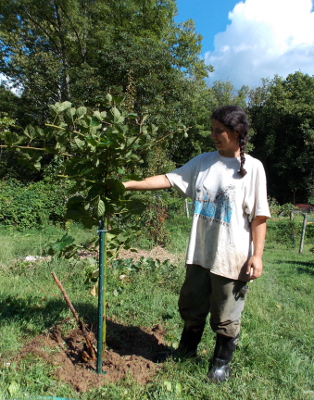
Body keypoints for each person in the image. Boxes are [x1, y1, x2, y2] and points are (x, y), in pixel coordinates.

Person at [123, 105, 270, 382]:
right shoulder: (202, 161)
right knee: (191, 305)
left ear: (237, 133)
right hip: (200, 252)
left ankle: (220, 364)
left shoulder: (253, 168)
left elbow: (259, 216)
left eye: (219, 131)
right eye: (212, 129)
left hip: (231, 256)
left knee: (225, 313)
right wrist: (129, 184)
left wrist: (257, 255)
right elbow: (168, 179)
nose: (213, 135)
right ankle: (186, 351)